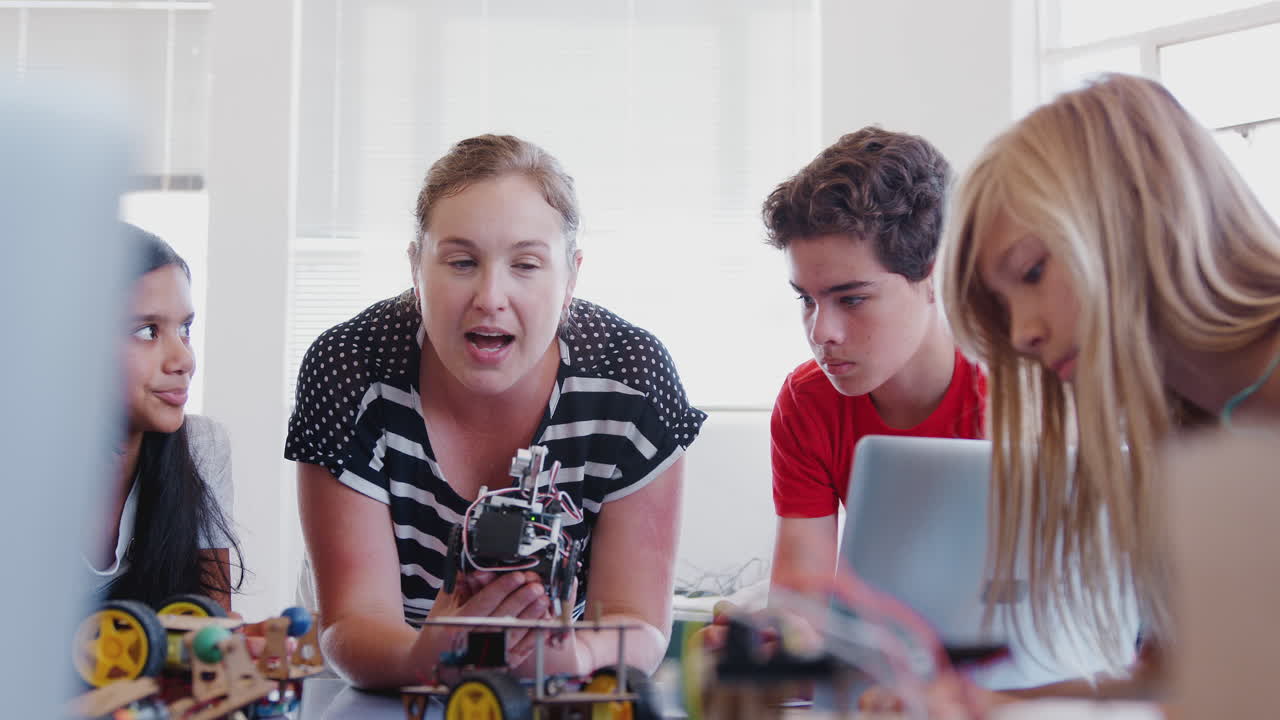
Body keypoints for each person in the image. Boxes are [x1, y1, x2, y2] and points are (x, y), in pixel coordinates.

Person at [916, 73, 1280, 715]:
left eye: (1033, 272)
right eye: (1003, 308)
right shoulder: (1192, 444)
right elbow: (1180, 680)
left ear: (1139, 213)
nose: (1023, 334)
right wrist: (986, 705)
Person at [287, 134, 705, 688]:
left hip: (548, 680)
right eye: (461, 262)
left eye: (526, 265)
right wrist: (428, 658)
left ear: (571, 277)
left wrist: (575, 658)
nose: (490, 296)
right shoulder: (349, 369)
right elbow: (353, 624)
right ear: (416, 268)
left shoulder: (632, 382)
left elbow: (637, 625)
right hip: (382, 679)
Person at [763, 127, 986, 592]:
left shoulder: (1016, 391)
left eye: (852, 299)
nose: (821, 332)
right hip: (877, 654)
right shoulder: (808, 402)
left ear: (931, 276)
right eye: (806, 300)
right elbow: (802, 599)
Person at [92, 223, 241, 612]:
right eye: (146, 331)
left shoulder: (202, 447)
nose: (184, 360)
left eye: (185, 328)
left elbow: (211, 635)